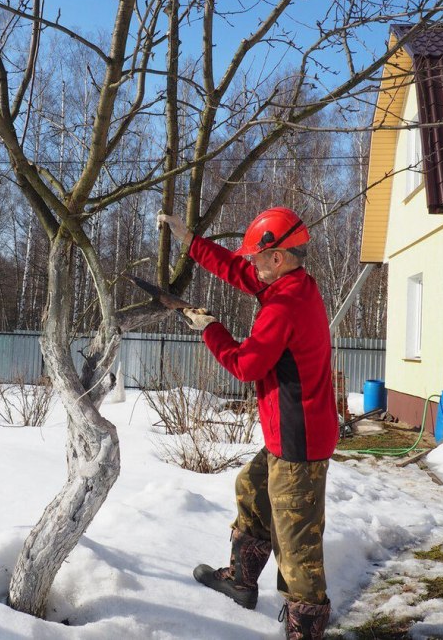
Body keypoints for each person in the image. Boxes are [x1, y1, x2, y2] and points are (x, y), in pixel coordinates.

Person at [158, 208, 338, 640]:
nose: (252, 264)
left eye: (258, 256)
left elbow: (246, 366)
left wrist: (210, 328)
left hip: (300, 440)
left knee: (296, 542)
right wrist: (191, 242)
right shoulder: (291, 282)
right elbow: (238, 271)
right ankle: (241, 581)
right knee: (252, 488)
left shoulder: (285, 305)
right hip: (289, 432)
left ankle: (306, 626)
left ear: (277, 257)